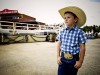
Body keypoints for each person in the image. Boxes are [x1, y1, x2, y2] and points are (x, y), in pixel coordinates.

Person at [57, 6, 87, 75]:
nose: (66, 19)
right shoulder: (62, 31)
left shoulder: (80, 32)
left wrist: (80, 61)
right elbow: (59, 44)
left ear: (75, 19)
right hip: (63, 58)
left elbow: (82, 47)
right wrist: (58, 56)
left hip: (73, 60)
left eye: (68, 17)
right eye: (64, 18)